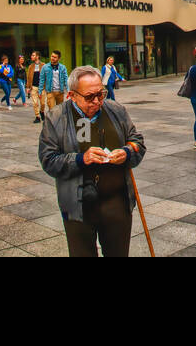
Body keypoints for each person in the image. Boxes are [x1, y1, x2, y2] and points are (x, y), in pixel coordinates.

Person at [38, 65, 146, 257]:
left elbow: (137, 142)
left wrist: (127, 152)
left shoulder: (116, 110)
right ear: (72, 95)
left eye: (101, 94)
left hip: (116, 203)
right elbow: (48, 160)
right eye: (90, 97)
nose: (97, 101)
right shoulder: (56, 118)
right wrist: (80, 159)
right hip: (78, 205)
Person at [28, 52, 46, 124]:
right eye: (32, 55)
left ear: (37, 56)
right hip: (33, 87)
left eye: (33, 55)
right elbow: (28, 77)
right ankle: (37, 117)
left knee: (43, 103)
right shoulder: (31, 66)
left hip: (42, 87)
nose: (31, 56)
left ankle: (42, 111)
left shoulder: (44, 65)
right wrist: (28, 87)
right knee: (35, 103)